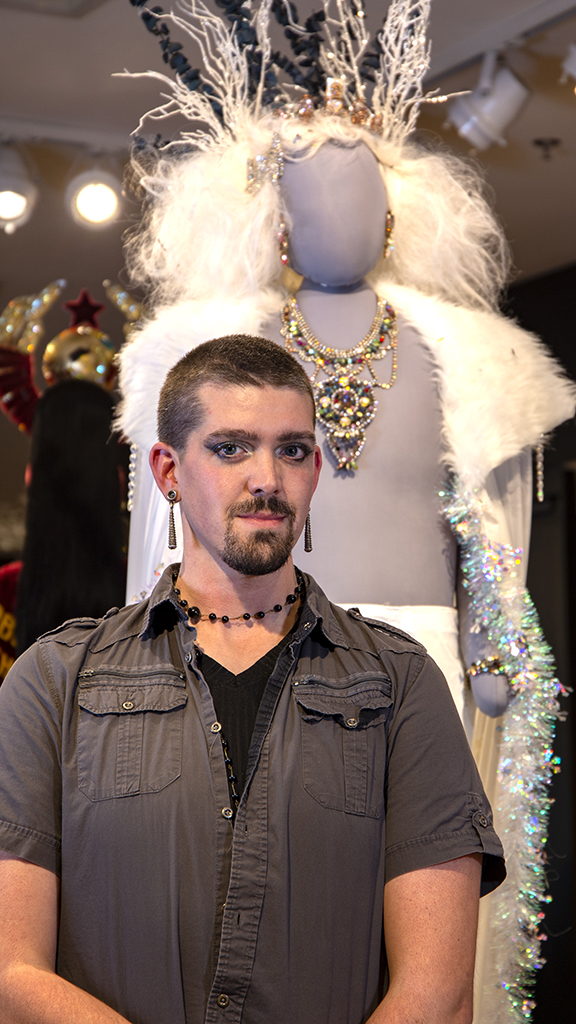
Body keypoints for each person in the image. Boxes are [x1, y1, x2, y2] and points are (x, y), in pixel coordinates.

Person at [0, 335, 504, 1024]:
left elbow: (439, 994)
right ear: (167, 471)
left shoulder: (401, 683)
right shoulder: (52, 681)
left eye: (292, 450)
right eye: (230, 447)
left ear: (316, 470)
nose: (266, 477)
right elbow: (9, 970)